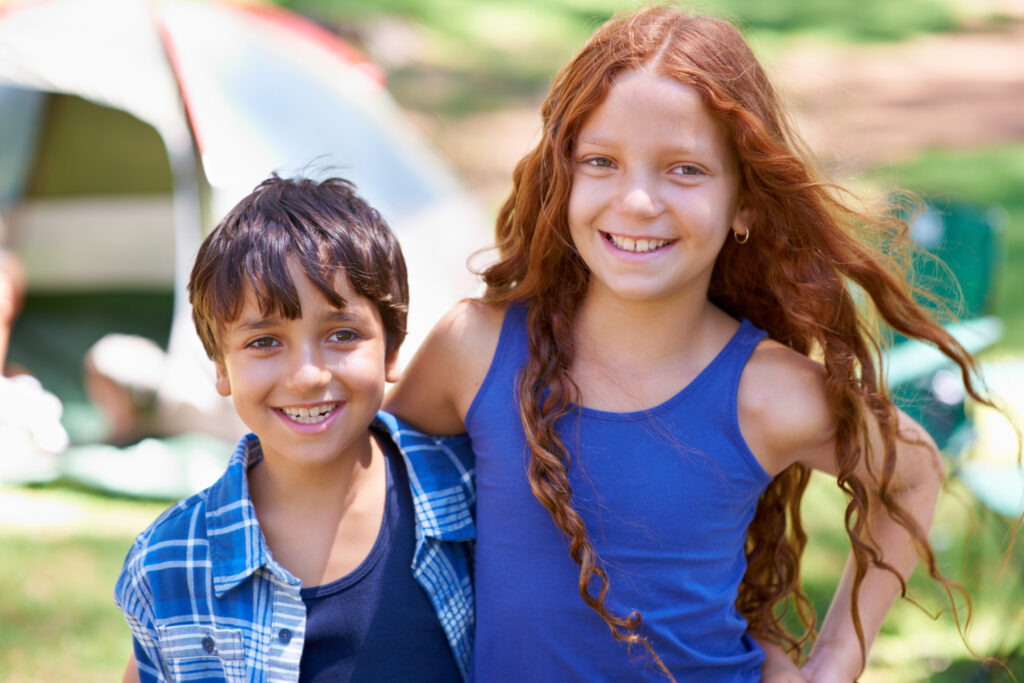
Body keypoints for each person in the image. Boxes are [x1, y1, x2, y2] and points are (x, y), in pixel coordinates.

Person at [385, 6, 989, 681]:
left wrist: (838, 657)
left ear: (746, 204)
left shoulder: (768, 391)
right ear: (564, 177)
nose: (638, 201)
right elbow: (370, 490)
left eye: (685, 170)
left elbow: (913, 471)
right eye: (602, 161)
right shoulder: (476, 350)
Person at [114, 175, 475, 682]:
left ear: (392, 351)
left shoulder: (464, 487)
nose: (307, 376)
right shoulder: (168, 563)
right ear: (221, 366)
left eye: (342, 334)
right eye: (264, 342)